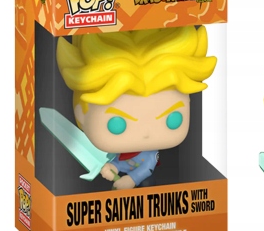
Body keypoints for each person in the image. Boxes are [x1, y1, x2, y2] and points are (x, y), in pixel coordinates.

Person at [57, 26, 216, 190]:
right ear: (80, 112)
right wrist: (113, 168)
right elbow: (121, 162)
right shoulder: (120, 151)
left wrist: (131, 180)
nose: (146, 132)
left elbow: (147, 168)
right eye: (117, 124)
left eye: (173, 119)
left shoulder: (150, 155)